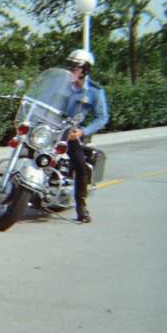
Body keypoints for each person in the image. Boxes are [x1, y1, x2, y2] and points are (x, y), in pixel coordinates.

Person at [64, 49, 109, 223]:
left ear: (86, 70)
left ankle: (80, 205)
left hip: (72, 133)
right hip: (51, 127)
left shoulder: (94, 91)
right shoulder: (62, 84)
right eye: (71, 66)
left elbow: (102, 117)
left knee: (80, 167)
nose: (72, 70)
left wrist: (83, 132)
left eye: (76, 67)